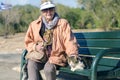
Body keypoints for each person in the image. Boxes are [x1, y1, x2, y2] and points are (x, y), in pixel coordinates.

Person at [24, 0, 79, 80]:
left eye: (51, 9)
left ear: (54, 9)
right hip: (40, 56)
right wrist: (36, 47)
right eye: (45, 10)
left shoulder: (63, 23)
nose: (48, 12)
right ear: (41, 12)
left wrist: (72, 55)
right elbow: (28, 42)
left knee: (48, 69)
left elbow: (69, 41)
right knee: (31, 64)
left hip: (56, 56)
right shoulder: (34, 25)